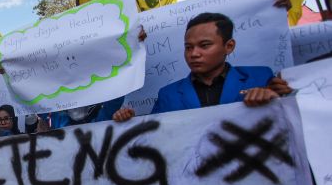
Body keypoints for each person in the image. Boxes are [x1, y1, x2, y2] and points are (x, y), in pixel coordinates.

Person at [114, 12, 280, 121]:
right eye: (188, 47)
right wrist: (130, 123)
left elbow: (296, 114)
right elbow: (153, 137)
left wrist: (276, 98)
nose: (194, 54)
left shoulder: (260, 78)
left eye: (204, 45)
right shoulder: (168, 95)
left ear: (229, 46)